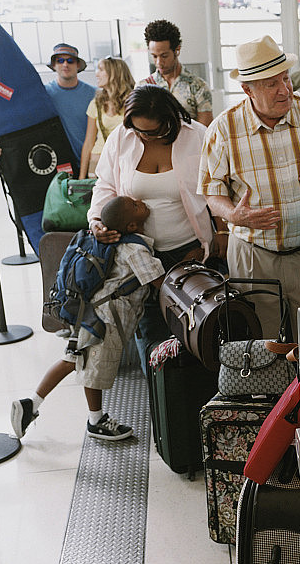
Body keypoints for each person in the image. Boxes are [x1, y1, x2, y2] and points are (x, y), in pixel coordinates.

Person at [199, 36, 300, 338]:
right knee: (262, 343)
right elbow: (212, 192)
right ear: (247, 90)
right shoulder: (224, 129)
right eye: (271, 84)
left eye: (286, 78)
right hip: (253, 256)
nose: (285, 90)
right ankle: (271, 389)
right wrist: (234, 216)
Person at [10, 196, 165, 441]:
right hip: (107, 320)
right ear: (132, 226)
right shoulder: (136, 249)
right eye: (136, 206)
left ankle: (30, 403)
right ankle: (96, 421)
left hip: (91, 311)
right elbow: (159, 281)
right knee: (93, 367)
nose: (140, 202)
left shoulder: (121, 241)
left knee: (72, 358)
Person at [89, 85, 221, 370]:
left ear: (170, 119)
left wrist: (219, 236)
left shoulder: (196, 135)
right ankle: (161, 406)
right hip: (139, 257)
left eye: (152, 132)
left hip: (190, 253)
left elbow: (217, 187)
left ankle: (195, 403)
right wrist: (97, 220)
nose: (143, 136)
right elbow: (105, 184)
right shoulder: (121, 139)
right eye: (138, 130)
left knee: (197, 335)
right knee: (151, 337)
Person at [139, 19, 213, 126]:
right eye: (154, 56)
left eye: (164, 56)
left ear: (177, 50)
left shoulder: (198, 87)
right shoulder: (143, 87)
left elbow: (205, 133)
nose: (159, 62)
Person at [78, 57, 135, 179]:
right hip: (98, 162)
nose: (97, 74)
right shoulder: (96, 103)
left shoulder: (133, 102)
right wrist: (81, 178)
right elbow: (89, 142)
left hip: (125, 162)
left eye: (101, 69)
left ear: (114, 73)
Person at [44, 43, 96, 172]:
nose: (65, 64)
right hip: (59, 165)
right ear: (54, 65)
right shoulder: (45, 94)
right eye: (60, 61)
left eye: (70, 60)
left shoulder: (94, 94)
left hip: (90, 163)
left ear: (77, 65)